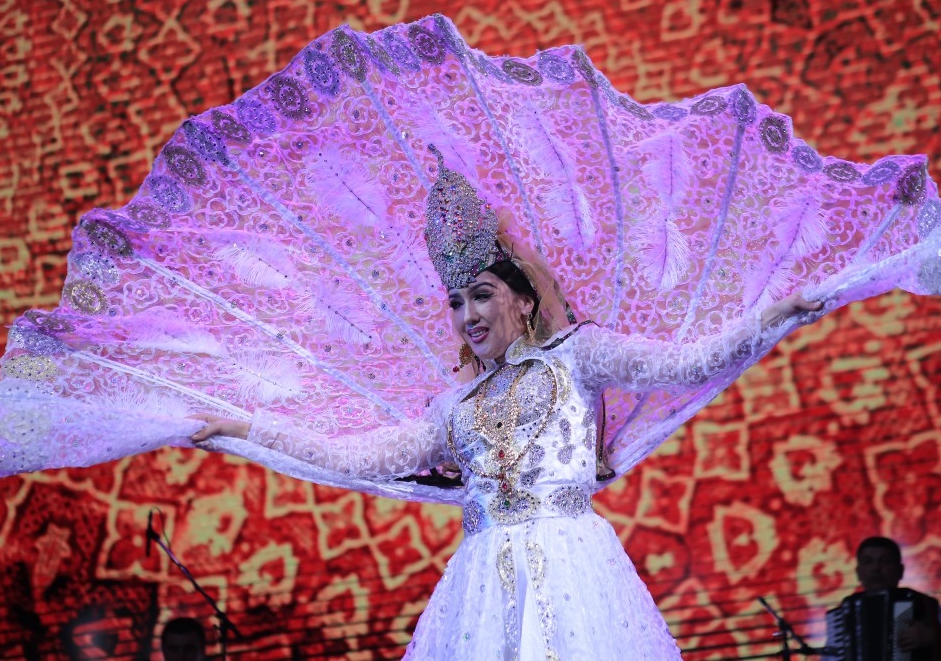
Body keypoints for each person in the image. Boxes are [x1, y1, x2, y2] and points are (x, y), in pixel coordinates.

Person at [190, 149, 821, 658]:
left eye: (482, 295)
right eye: (456, 302)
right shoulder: (454, 407)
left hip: (575, 573)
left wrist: (773, 317)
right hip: (481, 592)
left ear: (522, 300)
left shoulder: (580, 354)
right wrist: (244, 430)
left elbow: (685, 366)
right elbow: (354, 457)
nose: (468, 315)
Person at [823, 537, 941, 661]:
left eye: (885, 561)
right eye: (867, 562)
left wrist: (933, 637)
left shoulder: (925, 606)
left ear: (900, 570)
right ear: (858, 572)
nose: (875, 568)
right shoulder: (843, 617)